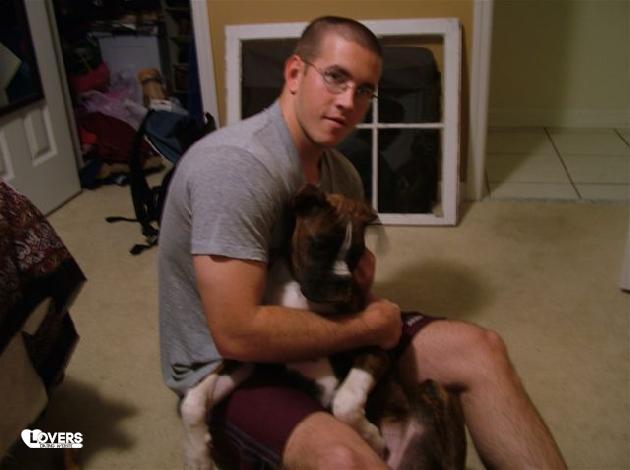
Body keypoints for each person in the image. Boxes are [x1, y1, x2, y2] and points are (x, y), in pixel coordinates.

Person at [159, 16, 567, 470]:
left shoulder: (343, 174)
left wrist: (362, 276)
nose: (348, 102)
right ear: (294, 73)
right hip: (230, 366)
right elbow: (236, 333)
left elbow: (345, 279)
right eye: (335, 77)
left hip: (318, 332)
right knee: (344, 458)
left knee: (482, 349)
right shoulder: (236, 167)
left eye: (365, 90)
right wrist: (370, 327)